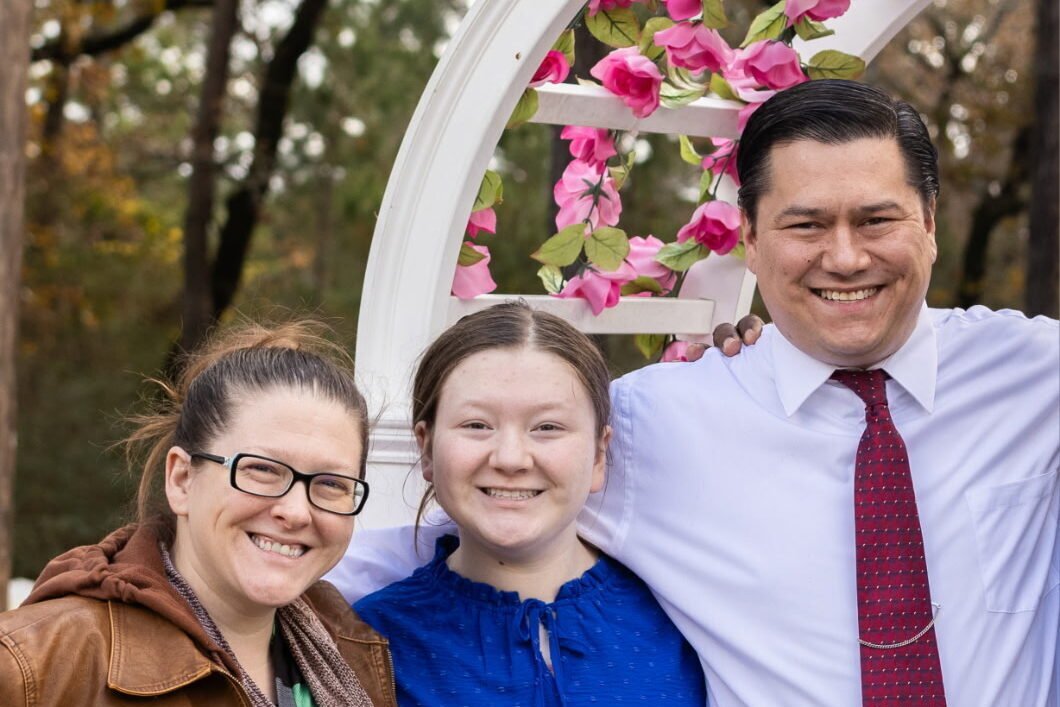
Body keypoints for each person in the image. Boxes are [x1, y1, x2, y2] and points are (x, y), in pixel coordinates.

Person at [329, 79, 1059, 706]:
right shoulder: (654, 423)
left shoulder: (1034, 374)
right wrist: (287, 556)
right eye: (806, 224)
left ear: (928, 223)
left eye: (876, 220)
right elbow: (492, 505)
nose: (844, 256)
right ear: (750, 238)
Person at [0, 319, 397, 706]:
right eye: (261, 470)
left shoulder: (357, 653)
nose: (296, 512)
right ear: (182, 479)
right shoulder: (34, 668)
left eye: (331, 484)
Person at [353, 301, 707, 706]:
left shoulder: (684, 614)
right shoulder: (367, 642)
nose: (510, 459)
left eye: (547, 427)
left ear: (598, 454)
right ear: (427, 448)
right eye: (477, 425)